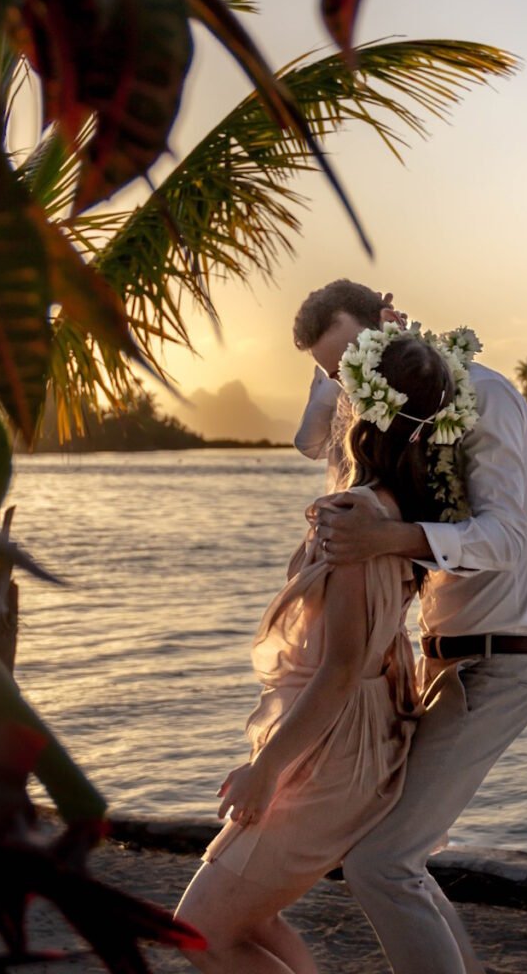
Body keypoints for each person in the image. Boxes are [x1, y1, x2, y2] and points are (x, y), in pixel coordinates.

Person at [175, 330, 473, 973]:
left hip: (332, 757)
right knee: (249, 916)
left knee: (198, 931)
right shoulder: (392, 514)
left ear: (361, 411)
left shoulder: (357, 515)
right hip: (352, 744)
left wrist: (269, 770)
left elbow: (341, 669)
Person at [293, 278, 527, 974]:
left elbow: (505, 540)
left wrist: (389, 540)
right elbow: (310, 440)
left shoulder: (484, 396)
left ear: (391, 322)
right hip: (439, 665)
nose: (353, 382)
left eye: (358, 358)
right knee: (392, 852)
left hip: (498, 661)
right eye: (335, 371)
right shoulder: (385, 414)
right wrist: (335, 376)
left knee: (382, 862)